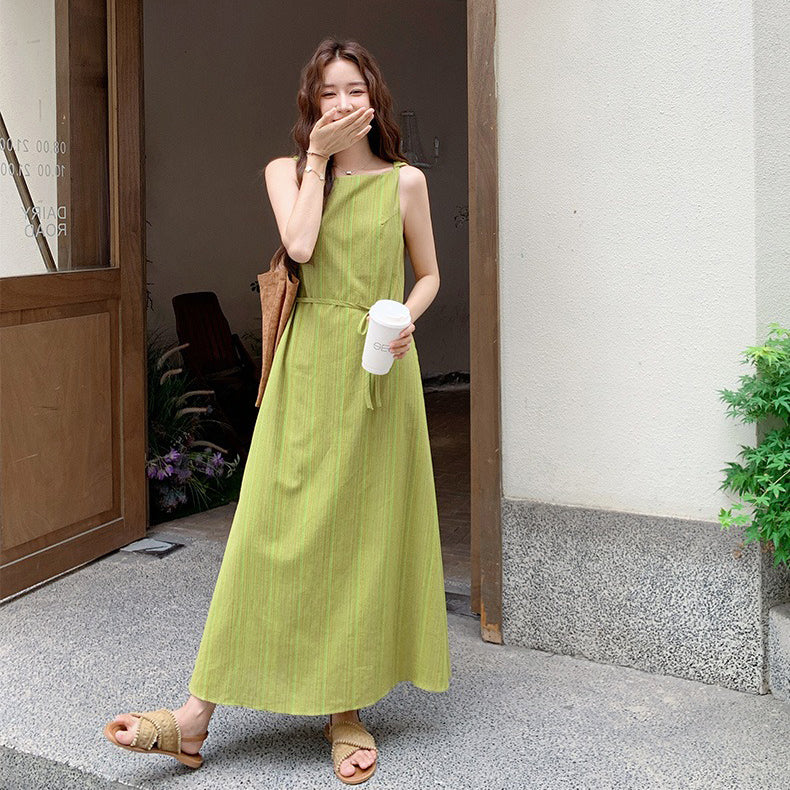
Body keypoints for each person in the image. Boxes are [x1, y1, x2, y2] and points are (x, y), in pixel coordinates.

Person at [103, 37, 450, 785]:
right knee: (269, 531)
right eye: (328, 92)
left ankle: (345, 709)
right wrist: (318, 159)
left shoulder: (407, 184)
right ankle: (196, 713)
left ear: (375, 99)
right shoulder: (285, 173)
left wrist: (408, 318)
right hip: (306, 368)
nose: (343, 103)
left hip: (379, 370)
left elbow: (428, 274)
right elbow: (300, 243)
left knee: (358, 536)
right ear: (310, 103)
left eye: (355, 89)